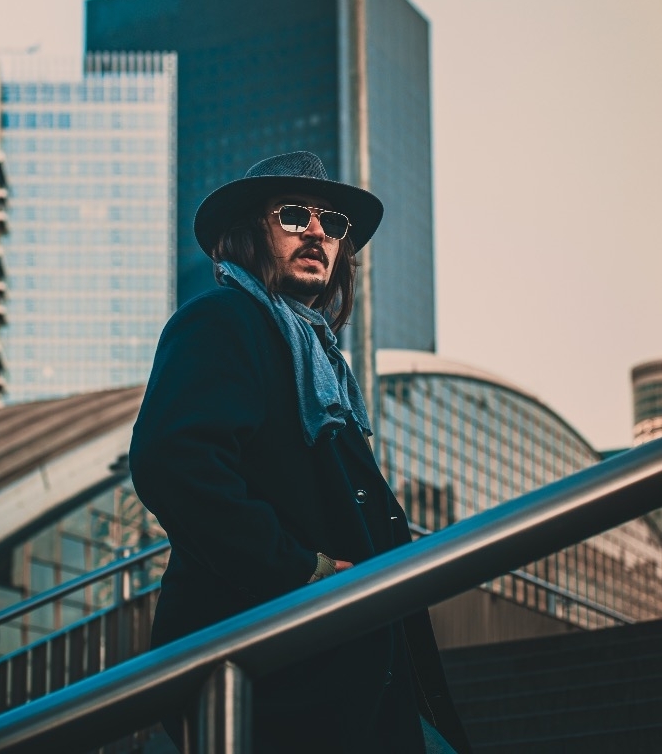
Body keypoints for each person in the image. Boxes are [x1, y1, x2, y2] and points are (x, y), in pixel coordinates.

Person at [129, 151, 472, 754]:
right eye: (293, 215)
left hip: (349, 670)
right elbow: (173, 462)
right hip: (272, 667)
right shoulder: (223, 320)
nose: (317, 232)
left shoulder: (324, 364)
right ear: (249, 234)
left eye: (332, 223)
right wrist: (298, 570)